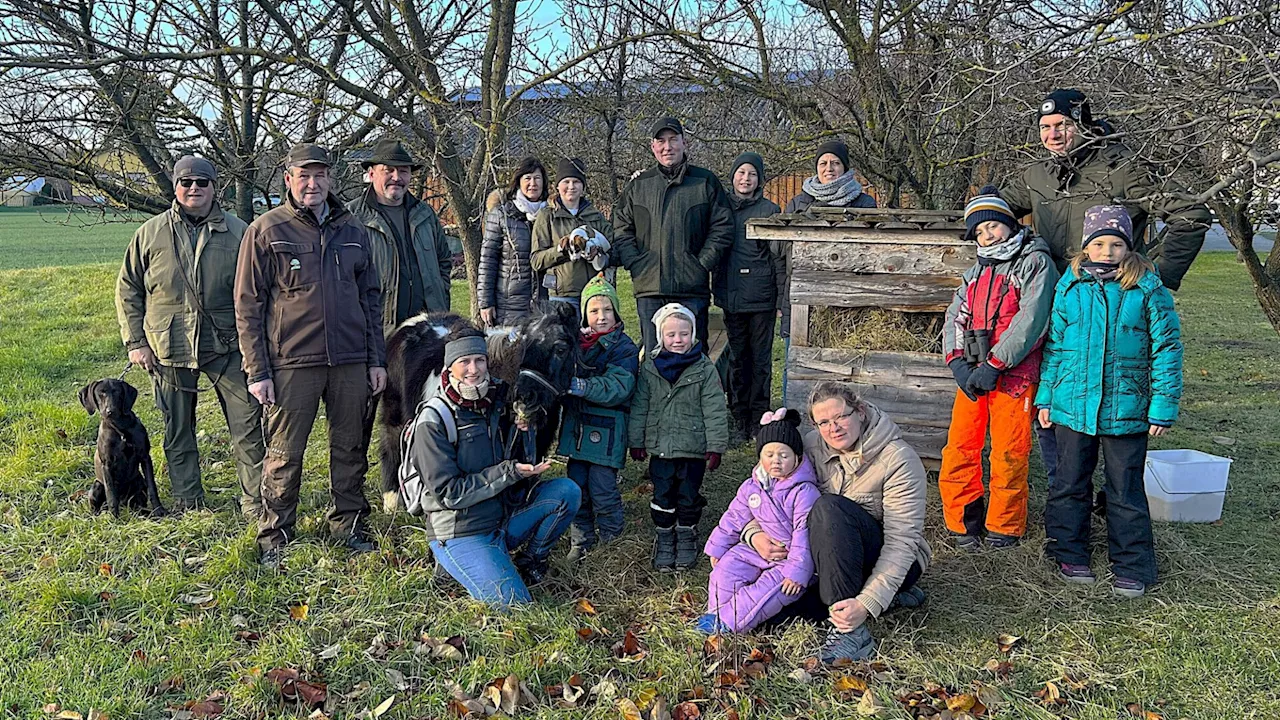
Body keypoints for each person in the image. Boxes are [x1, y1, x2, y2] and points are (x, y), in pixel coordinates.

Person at [1002, 89, 1207, 490]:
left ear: (1084, 125)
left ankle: (1112, 495)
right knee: (1056, 399)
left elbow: (1192, 214)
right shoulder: (1038, 175)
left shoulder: (1121, 169)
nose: (1053, 135)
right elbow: (997, 209)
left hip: (1115, 309)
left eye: (1062, 125)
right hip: (1058, 307)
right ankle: (1068, 490)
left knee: (1114, 399)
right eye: (1045, 127)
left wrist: (1156, 279)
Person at [234, 143, 387, 570]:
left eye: (320, 175)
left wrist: (376, 360)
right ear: (288, 180)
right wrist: (257, 370)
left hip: (351, 360)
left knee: (351, 446)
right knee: (284, 453)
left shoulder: (353, 230)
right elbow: (248, 306)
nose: (312, 184)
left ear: (331, 180)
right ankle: (275, 535)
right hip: (291, 362)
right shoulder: (266, 231)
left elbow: (370, 300)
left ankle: (349, 524)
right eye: (304, 176)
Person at [1036, 205, 1183, 599]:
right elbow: (1055, 347)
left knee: (1125, 488)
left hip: (1127, 409)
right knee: (1069, 482)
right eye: (1098, 244)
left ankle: (1133, 564)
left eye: (1115, 244)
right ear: (1086, 248)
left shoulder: (1147, 289)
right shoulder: (1070, 286)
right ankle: (1068, 551)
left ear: (1128, 247)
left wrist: (1163, 405)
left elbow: (1167, 349)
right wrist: (1046, 397)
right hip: (1073, 406)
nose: (1106, 251)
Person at [115, 155, 265, 517]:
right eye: (186, 182)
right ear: (175, 186)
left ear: (216, 187)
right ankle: (188, 500)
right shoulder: (149, 233)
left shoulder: (240, 231)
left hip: (228, 346)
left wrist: (257, 348)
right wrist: (136, 343)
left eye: (202, 182)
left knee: (248, 427)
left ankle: (256, 502)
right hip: (167, 348)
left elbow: (259, 292)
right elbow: (128, 288)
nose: (194, 188)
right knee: (177, 431)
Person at [742, 384, 931, 663]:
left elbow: (901, 543)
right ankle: (888, 600)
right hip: (829, 560)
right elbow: (760, 490)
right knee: (772, 618)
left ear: (860, 412)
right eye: (824, 422)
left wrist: (865, 604)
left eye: (841, 417)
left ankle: (851, 633)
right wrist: (754, 534)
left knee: (829, 508)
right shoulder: (807, 447)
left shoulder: (898, 460)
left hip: (889, 558)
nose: (834, 428)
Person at [408, 329, 581, 606]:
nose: (473, 370)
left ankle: (529, 560)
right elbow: (449, 493)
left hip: (502, 517)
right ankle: (452, 562)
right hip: (461, 529)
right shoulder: (434, 419)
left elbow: (520, 440)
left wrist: (525, 427)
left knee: (566, 492)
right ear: (449, 366)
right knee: (517, 607)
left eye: (479, 360)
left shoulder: (498, 400)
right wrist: (508, 473)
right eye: (464, 362)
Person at [939, 187, 1057, 550]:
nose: (987, 235)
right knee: (960, 446)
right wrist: (956, 360)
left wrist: (996, 363)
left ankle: (1004, 525)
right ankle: (963, 520)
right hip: (973, 376)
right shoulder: (976, 271)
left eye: (992, 226)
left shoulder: (1034, 262)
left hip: (1014, 377)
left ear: (1008, 223)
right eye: (979, 231)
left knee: (1008, 452)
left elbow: (1031, 320)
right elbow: (954, 316)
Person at [612, 117, 735, 354]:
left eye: (673, 140)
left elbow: (722, 227)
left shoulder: (705, 181)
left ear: (684, 143)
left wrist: (701, 263)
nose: (667, 147)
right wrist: (636, 262)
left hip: (690, 288)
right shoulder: (639, 186)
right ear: (653, 146)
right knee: (654, 357)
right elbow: (621, 228)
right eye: (661, 141)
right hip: (649, 288)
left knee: (693, 357)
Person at [699, 409, 821, 634]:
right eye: (769, 454)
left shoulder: (804, 491)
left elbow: (804, 532)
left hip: (789, 559)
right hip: (755, 549)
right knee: (725, 570)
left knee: (764, 592)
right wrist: (718, 547)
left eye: (784, 455)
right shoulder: (752, 487)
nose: (776, 461)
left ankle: (728, 624)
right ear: (760, 457)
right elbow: (734, 517)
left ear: (798, 458)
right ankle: (714, 613)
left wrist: (797, 571)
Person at [628, 303, 730, 571]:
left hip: (693, 448)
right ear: (661, 336)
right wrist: (636, 440)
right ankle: (664, 535)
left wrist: (715, 446)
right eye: (671, 334)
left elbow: (715, 408)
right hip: (661, 448)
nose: (677, 340)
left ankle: (686, 533)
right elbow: (640, 405)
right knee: (662, 494)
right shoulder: (650, 367)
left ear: (693, 334)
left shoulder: (704, 368)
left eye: (684, 334)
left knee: (688, 494)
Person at [557, 275, 639, 562]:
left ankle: (612, 540)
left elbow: (619, 386)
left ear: (616, 312)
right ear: (585, 314)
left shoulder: (624, 348)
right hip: (578, 427)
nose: (601, 317)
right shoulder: (574, 344)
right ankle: (581, 540)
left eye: (607, 310)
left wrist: (582, 386)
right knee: (577, 485)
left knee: (603, 487)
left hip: (608, 429)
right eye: (594, 311)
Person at [347, 137, 453, 333]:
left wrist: (440, 291)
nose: (397, 177)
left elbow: (444, 260)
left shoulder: (425, 214)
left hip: (429, 328)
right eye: (388, 170)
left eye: (403, 171)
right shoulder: (352, 218)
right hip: (378, 330)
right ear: (371, 174)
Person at [713, 151, 784, 442]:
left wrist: (780, 300)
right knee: (737, 358)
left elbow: (779, 258)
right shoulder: (720, 207)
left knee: (760, 360)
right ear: (733, 177)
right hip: (730, 294)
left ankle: (759, 416)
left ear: (760, 180)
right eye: (741, 173)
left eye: (752, 174)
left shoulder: (770, 210)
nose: (746, 179)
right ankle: (738, 414)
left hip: (761, 297)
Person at [779, 139, 877, 345]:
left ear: (845, 167)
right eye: (823, 163)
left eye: (835, 163)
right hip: (802, 291)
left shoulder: (864, 203)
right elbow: (778, 249)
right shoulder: (799, 203)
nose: (829, 168)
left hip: (847, 293)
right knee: (797, 363)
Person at [530, 157, 615, 315]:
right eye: (566, 181)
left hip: (593, 295)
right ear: (557, 185)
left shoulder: (595, 215)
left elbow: (614, 250)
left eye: (576, 182)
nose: (571, 187)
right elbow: (536, 261)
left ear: (583, 186)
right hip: (561, 297)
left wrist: (598, 255)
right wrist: (561, 250)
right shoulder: (547, 216)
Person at [478, 156, 547, 326]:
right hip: (509, 303)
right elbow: (488, 260)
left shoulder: (550, 215)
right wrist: (486, 302)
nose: (533, 183)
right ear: (518, 182)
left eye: (537, 178)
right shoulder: (501, 215)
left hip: (544, 303)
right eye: (528, 178)